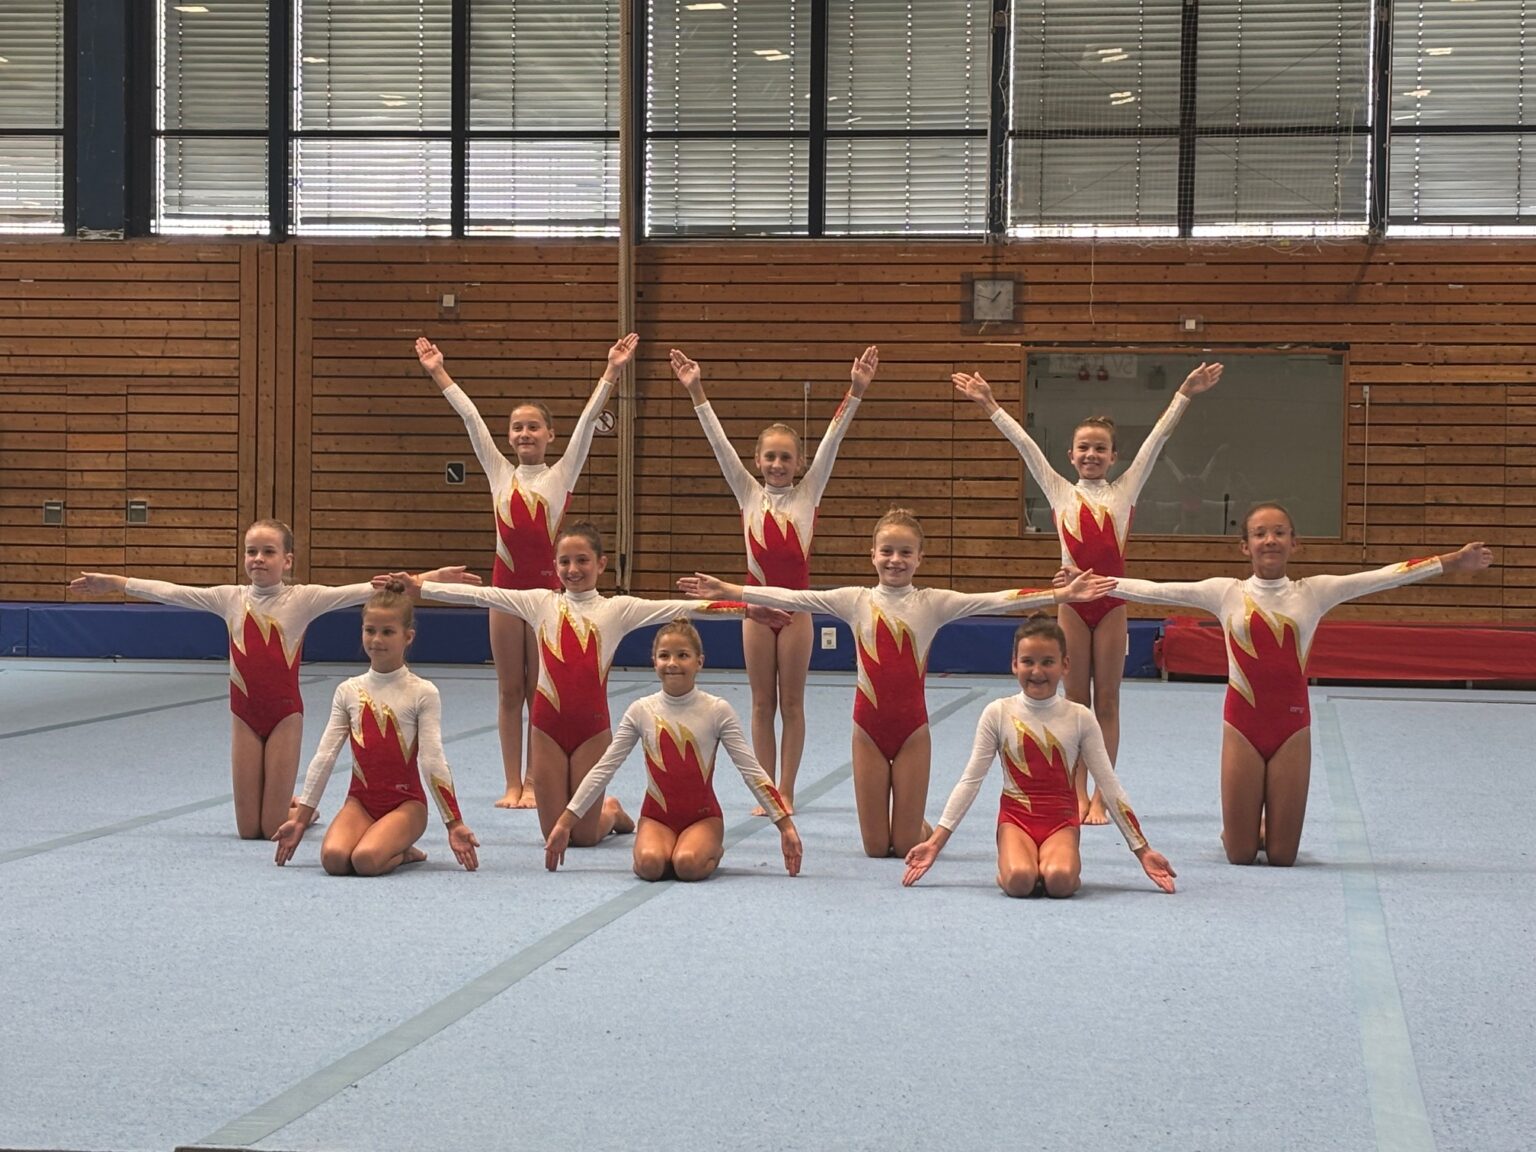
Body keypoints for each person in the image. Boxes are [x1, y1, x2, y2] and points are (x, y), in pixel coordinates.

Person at [679, 508, 1116, 860]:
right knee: (875, 849)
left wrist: (1061, 595)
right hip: (867, 731)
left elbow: (995, 599)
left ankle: (915, 825)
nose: (895, 560)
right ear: (872, 554)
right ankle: (909, 819)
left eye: (905, 553)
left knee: (905, 845)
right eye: (887, 551)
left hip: (912, 732)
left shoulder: (933, 603)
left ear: (919, 558)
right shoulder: (855, 600)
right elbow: (792, 596)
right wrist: (731, 590)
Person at [1109, 502, 1492, 866]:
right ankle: (1239, 829)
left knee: (1282, 857)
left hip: (1291, 727)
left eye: (1280, 532)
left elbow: (1384, 577)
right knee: (1240, 855)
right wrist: (1094, 584)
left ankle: (1259, 824)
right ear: (1245, 546)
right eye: (1260, 533)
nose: (1270, 540)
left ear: (1295, 543)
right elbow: (1153, 589)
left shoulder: (1313, 591)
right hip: (1242, 724)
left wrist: (1453, 561)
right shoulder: (1226, 592)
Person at [68, 519, 477, 840]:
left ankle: (302, 811)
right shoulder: (229, 598)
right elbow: (172, 592)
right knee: (249, 830)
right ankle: (290, 804)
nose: (258, 559)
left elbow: (368, 588)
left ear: (287, 560)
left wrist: (429, 577)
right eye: (251, 552)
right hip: (244, 716)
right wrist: (116, 583)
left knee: (269, 830)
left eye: (268, 552)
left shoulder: (304, 599)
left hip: (284, 717)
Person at [400, 522, 789, 852]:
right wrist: (420, 586)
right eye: (565, 562)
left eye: (582, 560)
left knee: (583, 837)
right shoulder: (539, 603)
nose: (573, 569)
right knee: (552, 833)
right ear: (555, 565)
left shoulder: (616, 609)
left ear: (601, 564)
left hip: (591, 729)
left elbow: (681, 608)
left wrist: (749, 610)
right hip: (547, 729)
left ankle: (612, 813)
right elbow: (481, 595)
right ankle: (602, 809)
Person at [952, 362, 1223, 824]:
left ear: (1114, 456)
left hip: (1112, 605)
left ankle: (1103, 794)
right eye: (1084, 447)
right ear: (1071, 455)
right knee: (1076, 704)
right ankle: (1075, 790)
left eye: (1100, 448)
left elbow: (1157, 439)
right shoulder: (1060, 491)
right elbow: (1025, 446)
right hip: (1074, 607)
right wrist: (990, 404)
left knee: (1108, 702)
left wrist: (1184, 392)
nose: (1091, 454)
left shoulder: (1125, 490)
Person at [416, 332, 637, 810]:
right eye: (517, 428)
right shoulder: (499, 473)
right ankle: (511, 782)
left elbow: (586, 424)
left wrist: (611, 372)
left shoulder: (561, 475)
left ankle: (536, 780)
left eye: (534, 427)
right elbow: (471, 420)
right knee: (508, 690)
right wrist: (439, 373)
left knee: (542, 690)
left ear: (549, 435)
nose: (524, 434)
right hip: (504, 591)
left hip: (546, 599)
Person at [670, 345, 877, 815]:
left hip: (797, 612)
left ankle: (787, 788)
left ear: (799, 463)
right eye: (770, 457)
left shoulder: (809, 494)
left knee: (793, 704)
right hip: (755, 613)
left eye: (786, 457)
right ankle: (767, 790)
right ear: (758, 460)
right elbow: (718, 444)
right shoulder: (747, 492)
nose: (778, 464)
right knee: (762, 705)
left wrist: (855, 392)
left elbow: (833, 441)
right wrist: (697, 391)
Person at [902, 615, 1175, 897]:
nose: (1036, 671)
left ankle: (1056, 867)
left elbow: (1108, 783)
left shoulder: (1079, 717)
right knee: (1019, 881)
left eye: (1047, 662)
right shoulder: (998, 712)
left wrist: (1142, 850)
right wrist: (935, 843)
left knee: (1060, 881)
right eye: (1027, 661)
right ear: (1014, 664)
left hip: (1061, 821)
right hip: (1016, 820)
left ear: (1065, 665)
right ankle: (1013, 868)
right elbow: (970, 781)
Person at [544, 617, 802, 881]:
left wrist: (785, 827)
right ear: (654, 662)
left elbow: (751, 771)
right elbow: (604, 768)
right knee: (649, 866)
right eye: (664, 656)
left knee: (687, 865)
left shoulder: (717, 710)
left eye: (683, 655)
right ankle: (627, 822)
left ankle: (712, 849)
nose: (672, 663)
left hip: (702, 818)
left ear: (699, 661)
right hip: (657, 817)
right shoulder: (641, 710)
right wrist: (565, 823)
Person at [272, 580, 480, 874]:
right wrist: (300, 820)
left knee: (366, 860)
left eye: (387, 632)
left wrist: (454, 822)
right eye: (370, 630)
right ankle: (389, 845)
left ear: (408, 637)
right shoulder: (348, 690)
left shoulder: (422, 692)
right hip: (361, 802)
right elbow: (325, 756)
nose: (376, 640)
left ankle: (403, 853)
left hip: (407, 805)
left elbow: (432, 759)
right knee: (333, 859)